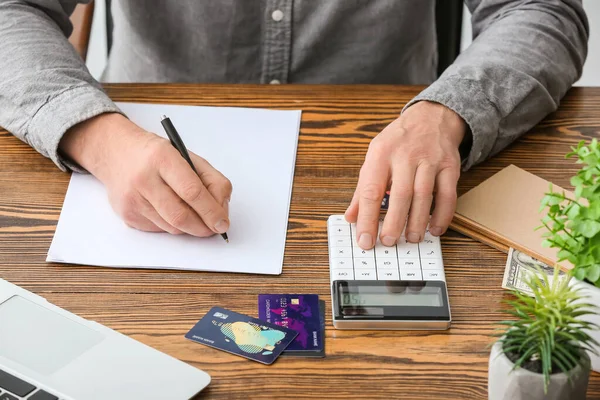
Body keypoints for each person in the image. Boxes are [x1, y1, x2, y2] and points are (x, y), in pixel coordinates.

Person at [0, 1, 588, 250]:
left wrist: (448, 114)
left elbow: (541, 10)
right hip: (130, 150)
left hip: (387, 156)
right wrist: (99, 136)